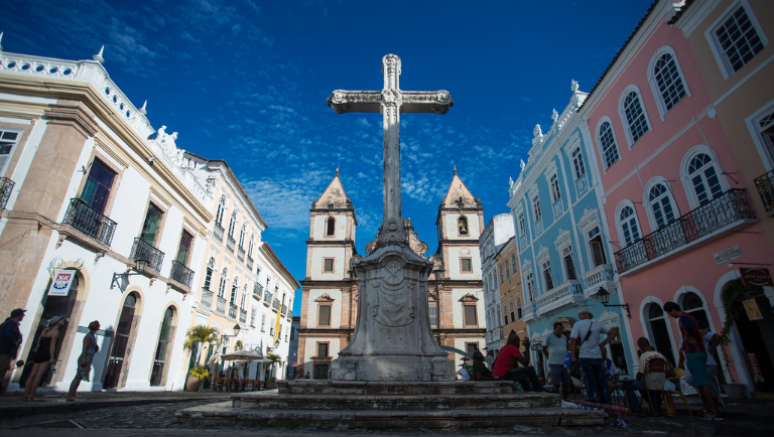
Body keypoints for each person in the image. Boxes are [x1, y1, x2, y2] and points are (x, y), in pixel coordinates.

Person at [664, 302, 721, 420]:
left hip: (694, 353)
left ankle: (714, 410)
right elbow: (705, 325)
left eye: (669, 313)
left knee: (702, 383)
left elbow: (689, 328)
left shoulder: (683, 318)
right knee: (700, 383)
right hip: (699, 353)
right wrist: (699, 337)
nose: (670, 315)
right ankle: (707, 409)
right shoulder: (691, 317)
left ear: (674, 310)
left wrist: (688, 337)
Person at [569, 308, 618, 404]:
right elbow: (613, 333)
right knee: (601, 379)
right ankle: (605, 399)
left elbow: (573, 340)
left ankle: (593, 397)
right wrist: (602, 343)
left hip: (585, 356)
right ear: (589, 316)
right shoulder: (597, 325)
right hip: (597, 356)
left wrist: (573, 355)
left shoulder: (578, 325)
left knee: (589, 378)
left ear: (581, 316)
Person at [620, 337, 674, 414]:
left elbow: (640, 373)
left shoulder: (644, 356)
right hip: (661, 384)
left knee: (627, 386)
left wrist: (637, 378)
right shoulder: (660, 355)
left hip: (649, 384)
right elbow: (667, 370)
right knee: (650, 386)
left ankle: (636, 408)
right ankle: (654, 409)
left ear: (642, 345)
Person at [23, 316, 65, 401]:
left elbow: (38, 344)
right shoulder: (55, 332)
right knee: (38, 375)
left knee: (32, 375)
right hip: (46, 354)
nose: (62, 321)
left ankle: (25, 396)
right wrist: (52, 357)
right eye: (60, 320)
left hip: (39, 353)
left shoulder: (44, 331)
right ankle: (31, 396)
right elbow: (52, 345)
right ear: (57, 322)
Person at [682, 330, 722, 399]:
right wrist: (681, 361)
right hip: (693, 361)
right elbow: (681, 347)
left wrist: (711, 348)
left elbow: (717, 337)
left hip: (706, 361)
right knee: (690, 379)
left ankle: (714, 399)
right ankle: (707, 398)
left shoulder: (698, 332)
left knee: (708, 383)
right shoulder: (684, 334)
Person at [67, 320, 100, 401]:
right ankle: (70, 395)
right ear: (95, 327)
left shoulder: (92, 336)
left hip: (89, 357)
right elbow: (84, 348)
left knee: (80, 376)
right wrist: (84, 359)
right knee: (78, 376)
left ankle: (73, 394)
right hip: (85, 357)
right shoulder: (88, 336)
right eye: (98, 326)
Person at [543, 322, 571, 400]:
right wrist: (548, 358)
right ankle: (557, 399)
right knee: (556, 383)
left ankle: (565, 398)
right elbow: (544, 348)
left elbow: (567, 347)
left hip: (564, 363)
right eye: (559, 329)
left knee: (565, 382)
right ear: (555, 329)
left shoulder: (564, 337)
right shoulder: (549, 337)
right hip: (554, 363)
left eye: (562, 329)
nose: (561, 331)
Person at [0, 309, 25, 393]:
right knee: (1, 372)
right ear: (19, 315)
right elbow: (9, 334)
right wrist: (13, 344)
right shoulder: (12, 324)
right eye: (22, 315)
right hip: (4, 352)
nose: (23, 316)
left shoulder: (5, 324)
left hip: (3, 351)